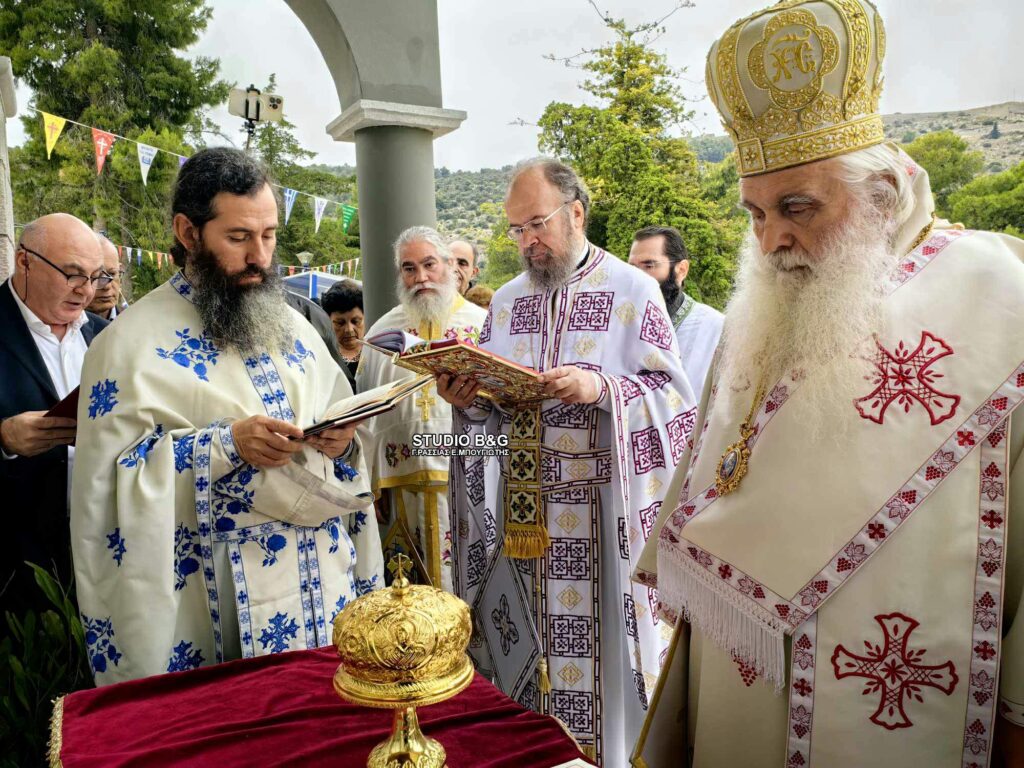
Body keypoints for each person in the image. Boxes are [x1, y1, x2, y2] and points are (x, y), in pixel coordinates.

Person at [634, 2, 1024, 766]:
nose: (772, 239)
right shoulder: (767, 309)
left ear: (880, 195)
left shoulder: (999, 301)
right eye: (755, 214)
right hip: (739, 684)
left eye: (797, 207)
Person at [71, 148, 382, 685]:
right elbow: (105, 492)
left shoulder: (296, 328)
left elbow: (344, 426)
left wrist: (343, 441)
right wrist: (225, 446)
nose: (259, 256)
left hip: (324, 597)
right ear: (188, 233)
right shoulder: (127, 347)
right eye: (238, 238)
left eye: (268, 235)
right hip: (215, 614)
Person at [438, 158, 697, 766]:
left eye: (536, 224)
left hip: (598, 520)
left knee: (601, 679)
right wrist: (469, 406)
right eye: (515, 229)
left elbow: (675, 402)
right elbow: (490, 421)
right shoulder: (504, 303)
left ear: (575, 213)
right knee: (521, 666)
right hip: (519, 522)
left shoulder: (632, 292)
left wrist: (601, 389)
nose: (527, 241)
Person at [356, 227, 486, 591]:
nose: (421, 277)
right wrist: (371, 483)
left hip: (469, 483)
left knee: (470, 586)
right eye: (409, 268)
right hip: (403, 489)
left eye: (429, 264)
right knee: (411, 594)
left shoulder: (482, 327)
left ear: (450, 266)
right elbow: (364, 409)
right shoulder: (383, 333)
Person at [0, 214, 109, 615]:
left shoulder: (104, 335)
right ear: (24, 261)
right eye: (73, 274)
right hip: (17, 564)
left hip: (103, 549)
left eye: (97, 277)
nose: (86, 290)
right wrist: (4, 440)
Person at [629, 226, 723, 396]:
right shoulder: (620, 324)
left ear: (682, 270)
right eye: (632, 267)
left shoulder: (716, 328)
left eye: (649, 265)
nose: (637, 278)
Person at [321, 279, 365, 385]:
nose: (349, 329)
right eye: (340, 323)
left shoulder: (375, 353)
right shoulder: (323, 354)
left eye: (355, 321)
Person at [86, 235, 129, 320]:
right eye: (97, 276)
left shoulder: (133, 323)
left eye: (112, 273)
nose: (107, 286)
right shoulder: (60, 329)